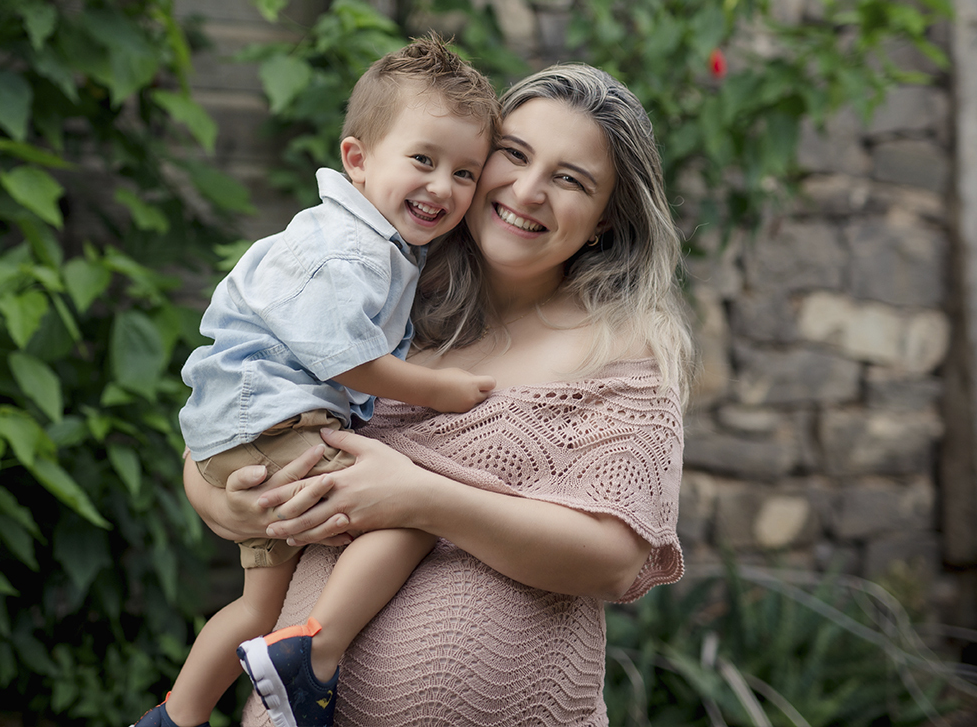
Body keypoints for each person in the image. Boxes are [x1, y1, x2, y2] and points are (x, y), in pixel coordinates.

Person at [182, 62, 694, 727]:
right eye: (514, 155)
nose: (529, 190)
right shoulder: (386, 294)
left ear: (604, 219)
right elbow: (234, 403)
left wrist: (423, 499)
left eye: (570, 180)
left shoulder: (622, 349)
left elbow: (613, 559)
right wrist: (222, 497)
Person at [133, 35, 501, 727]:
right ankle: (313, 654)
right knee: (414, 514)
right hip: (274, 422)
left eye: (464, 173)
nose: (442, 187)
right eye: (423, 160)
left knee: (254, 607)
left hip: (249, 426)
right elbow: (346, 360)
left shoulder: (376, 242)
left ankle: (171, 718)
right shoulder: (349, 251)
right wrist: (441, 390)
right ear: (357, 161)